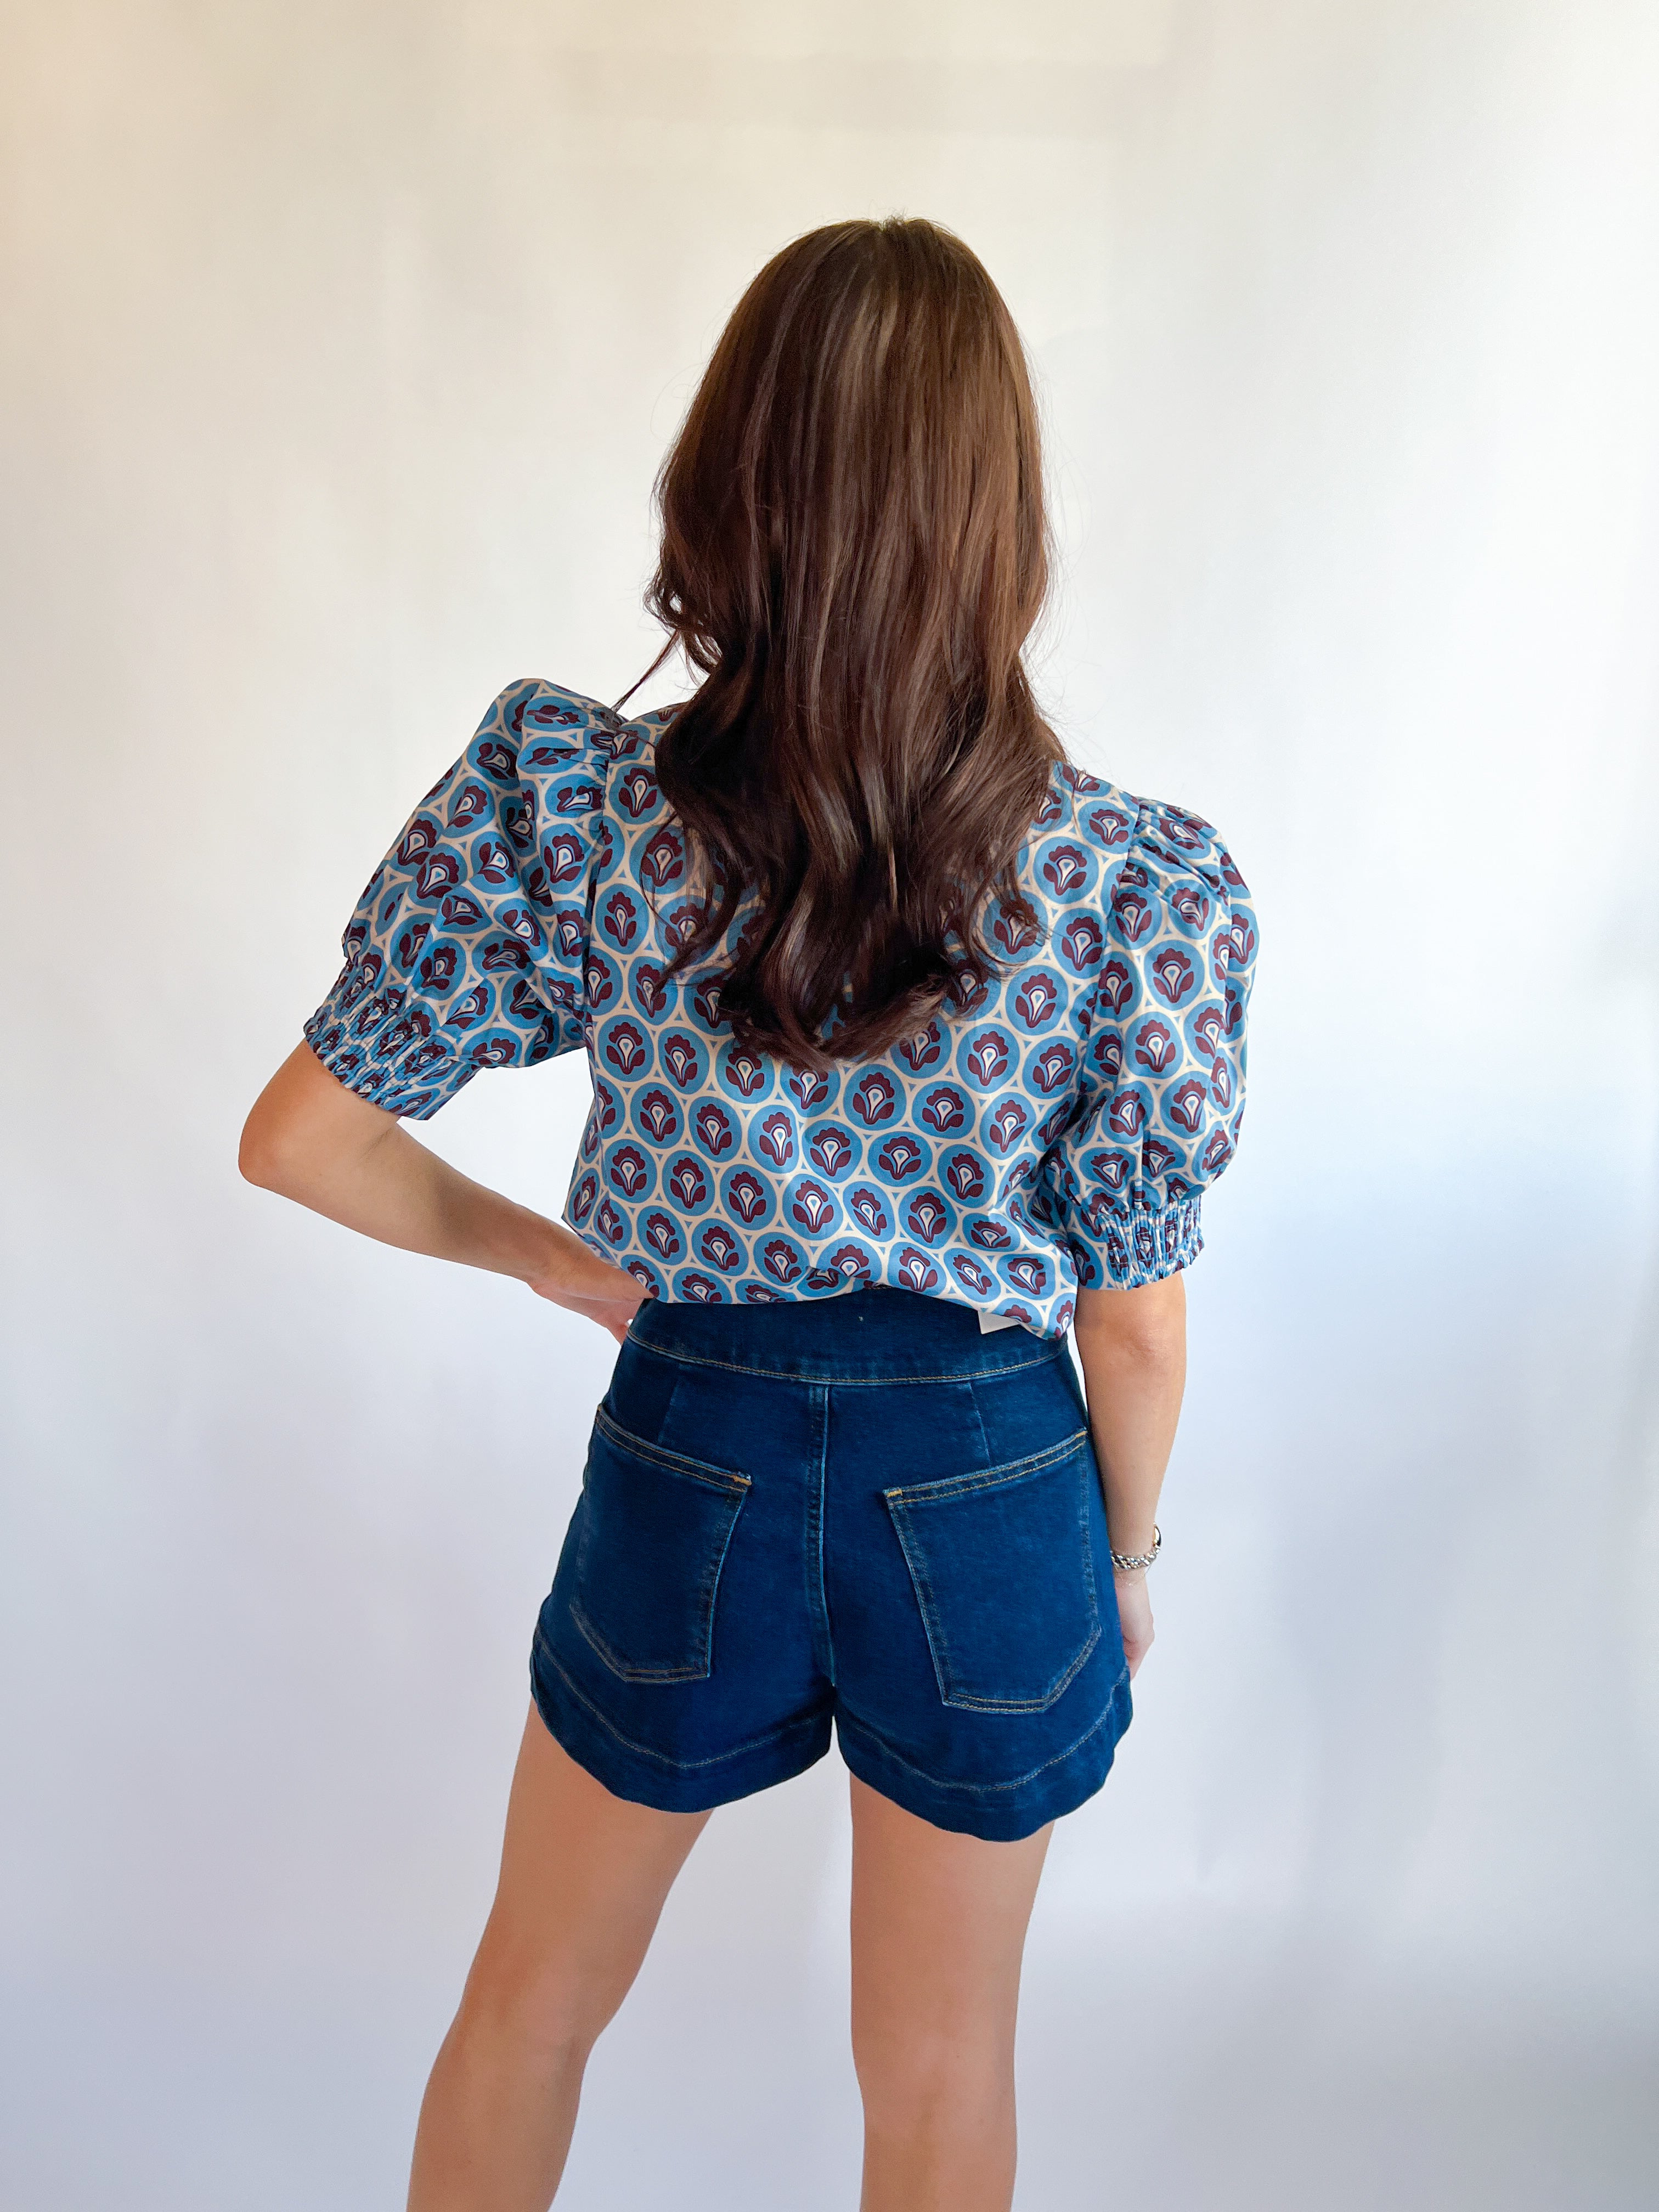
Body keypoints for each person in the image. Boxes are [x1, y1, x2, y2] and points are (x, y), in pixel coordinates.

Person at [240, 216, 1257, 2212]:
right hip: (990, 1477)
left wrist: (566, 1269)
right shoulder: (1132, 884)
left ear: (727, 479)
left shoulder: (576, 807)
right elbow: (1134, 1319)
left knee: (531, 2003)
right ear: (999, 523)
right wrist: (1124, 1552)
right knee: (943, 2073)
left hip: (689, 1441)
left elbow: (304, 1140)